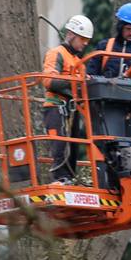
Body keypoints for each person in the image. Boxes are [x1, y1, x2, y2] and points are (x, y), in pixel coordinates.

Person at [42, 14, 94, 183]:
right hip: (56, 107)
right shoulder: (56, 54)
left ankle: (70, 178)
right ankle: (60, 177)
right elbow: (49, 81)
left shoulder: (80, 63)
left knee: (74, 146)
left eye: (87, 40)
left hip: (73, 109)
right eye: (83, 39)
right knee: (60, 145)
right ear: (71, 35)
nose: (85, 43)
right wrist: (74, 84)